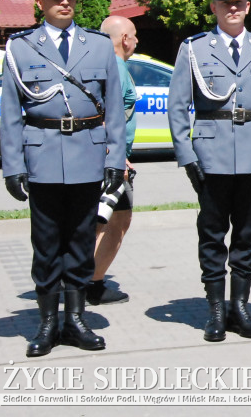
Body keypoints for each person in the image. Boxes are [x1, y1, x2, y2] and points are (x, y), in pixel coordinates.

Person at [0, 0, 125, 357]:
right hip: (43, 157)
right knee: (47, 243)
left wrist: (115, 158)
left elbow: (116, 110)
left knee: (81, 241)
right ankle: (47, 323)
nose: (64, 2)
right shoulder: (21, 47)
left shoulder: (99, 45)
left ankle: (75, 319)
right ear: (40, 1)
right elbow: (9, 112)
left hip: (88, 153)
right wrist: (13, 166)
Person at [169, 0, 251, 342]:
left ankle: (240, 306)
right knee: (211, 234)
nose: (232, 8)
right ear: (214, 7)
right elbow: (177, 107)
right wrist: (187, 156)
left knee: (248, 234)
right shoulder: (193, 48)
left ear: (248, 6)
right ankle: (216, 310)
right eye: (225, 2)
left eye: (239, 2)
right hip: (211, 155)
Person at [87, 15, 139, 305]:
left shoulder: (106, 65)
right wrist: (117, 157)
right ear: (124, 39)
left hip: (109, 157)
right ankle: (90, 284)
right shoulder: (116, 68)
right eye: (134, 35)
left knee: (104, 220)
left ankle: (81, 280)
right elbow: (108, 117)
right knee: (115, 221)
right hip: (114, 160)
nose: (136, 40)